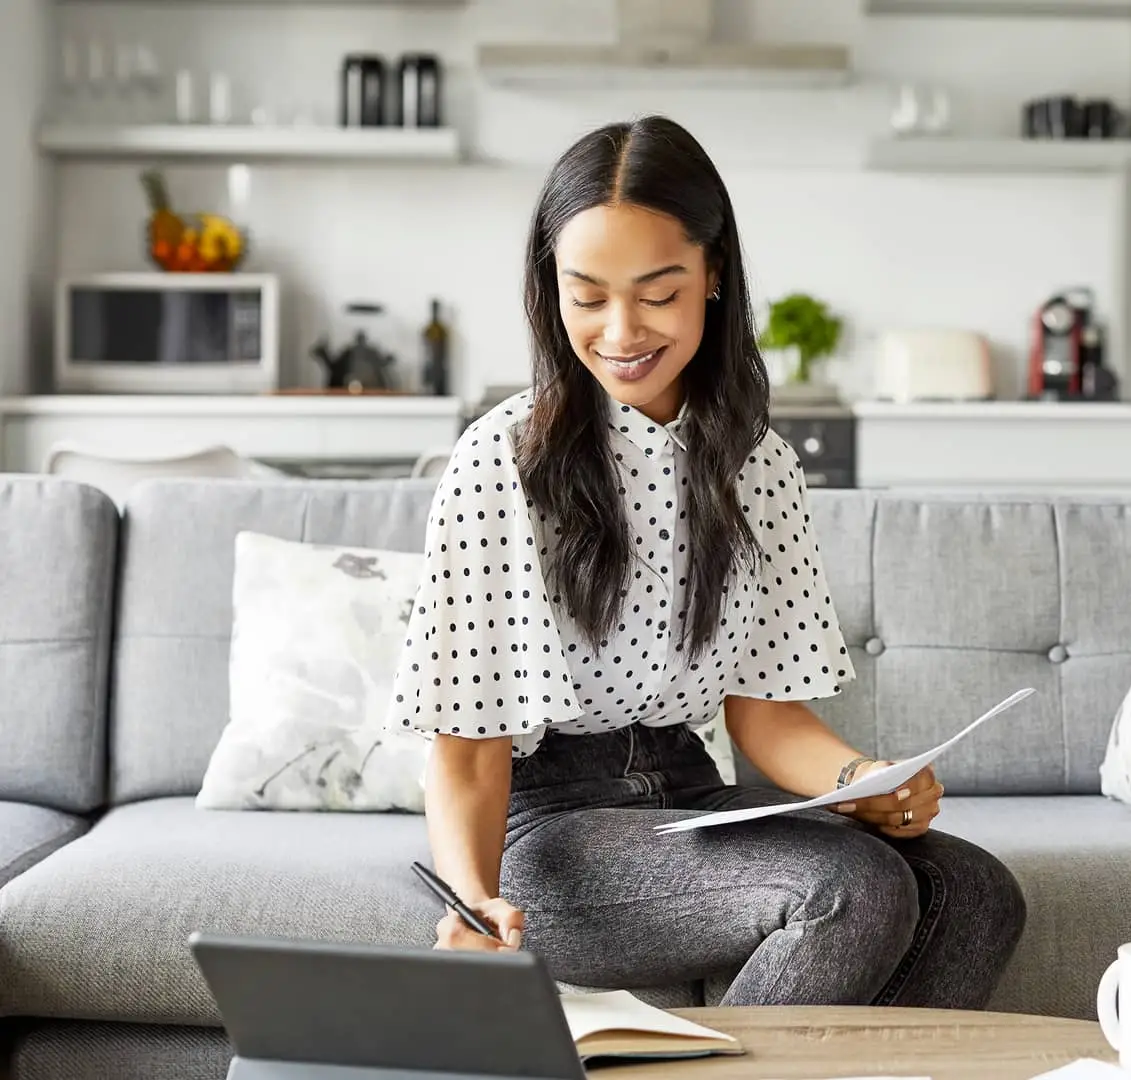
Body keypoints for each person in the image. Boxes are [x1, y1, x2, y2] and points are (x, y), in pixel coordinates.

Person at [385, 116, 1026, 1008]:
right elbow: (466, 751)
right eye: (587, 295)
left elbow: (767, 715)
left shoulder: (757, 465)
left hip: (690, 793)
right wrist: (474, 904)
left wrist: (861, 784)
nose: (620, 330)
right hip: (553, 829)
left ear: (713, 276)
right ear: (550, 290)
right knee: (851, 888)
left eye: (658, 292)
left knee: (977, 891)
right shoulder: (501, 459)